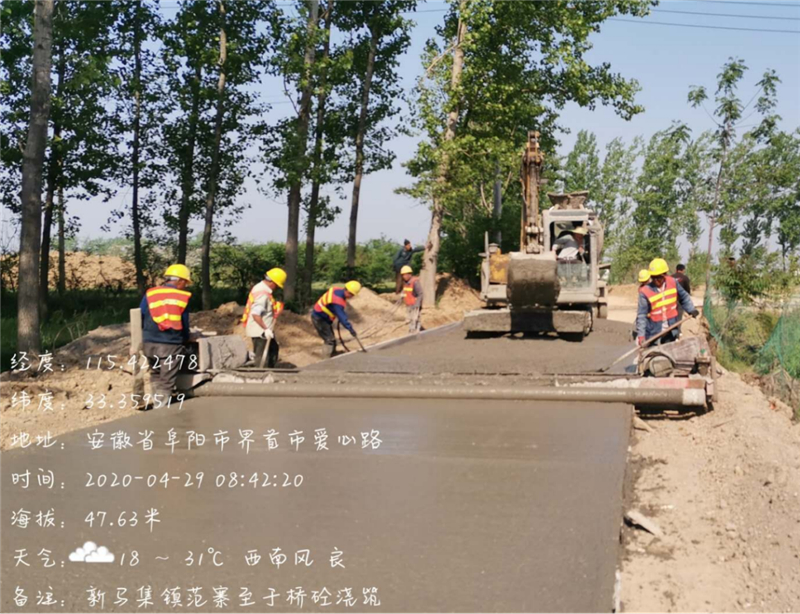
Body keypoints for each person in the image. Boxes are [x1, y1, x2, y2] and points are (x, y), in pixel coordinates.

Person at [140, 264, 193, 401]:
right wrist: (186, 339)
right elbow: (184, 322)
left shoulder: (151, 293)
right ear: (180, 281)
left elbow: (141, 314)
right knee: (166, 382)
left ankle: (156, 403)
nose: (185, 286)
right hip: (170, 344)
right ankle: (161, 408)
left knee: (155, 374)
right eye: (185, 283)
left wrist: (146, 335)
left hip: (149, 343)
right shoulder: (181, 296)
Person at [636, 258, 698, 346]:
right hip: (654, 330)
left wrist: (691, 309)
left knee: (670, 350)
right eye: (653, 277)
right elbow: (642, 315)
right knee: (654, 353)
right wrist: (641, 336)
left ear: (665, 275)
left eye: (659, 277)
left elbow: (684, 297)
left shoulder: (673, 282)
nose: (656, 280)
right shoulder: (645, 291)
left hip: (671, 328)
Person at [241, 267, 286, 367]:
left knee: (273, 349)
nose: (276, 288)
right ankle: (261, 373)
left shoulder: (260, 288)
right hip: (260, 331)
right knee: (262, 357)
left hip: (263, 330)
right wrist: (266, 329)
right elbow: (255, 314)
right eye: (277, 285)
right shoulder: (263, 294)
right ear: (272, 282)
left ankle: (269, 370)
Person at [311, 281, 361, 357]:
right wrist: (351, 329)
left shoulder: (336, 290)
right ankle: (326, 360)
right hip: (319, 319)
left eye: (353, 295)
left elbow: (336, 309)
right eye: (351, 294)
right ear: (347, 290)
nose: (351, 296)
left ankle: (333, 355)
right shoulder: (338, 301)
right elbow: (342, 318)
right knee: (329, 340)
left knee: (332, 338)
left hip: (323, 317)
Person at [400, 265, 423, 333]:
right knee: (410, 319)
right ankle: (411, 330)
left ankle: (416, 331)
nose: (404, 276)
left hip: (414, 305)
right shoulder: (406, 282)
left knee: (415, 318)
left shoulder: (415, 282)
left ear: (409, 274)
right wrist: (402, 294)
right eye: (403, 275)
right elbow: (405, 291)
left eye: (405, 275)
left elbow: (420, 293)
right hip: (408, 304)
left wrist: (417, 304)